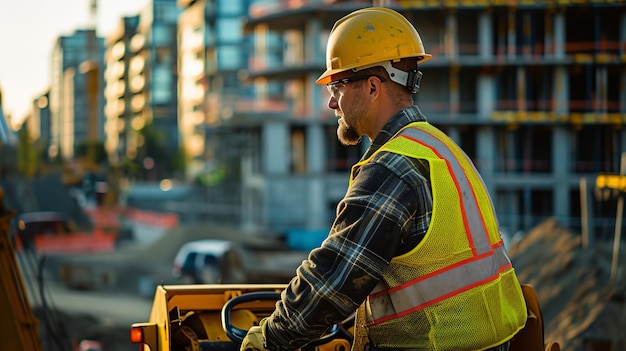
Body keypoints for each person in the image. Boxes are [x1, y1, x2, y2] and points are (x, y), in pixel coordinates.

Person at [241, 7, 527, 351]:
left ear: (373, 87)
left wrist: (271, 338)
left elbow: (334, 280)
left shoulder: (392, 167)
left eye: (338, 85)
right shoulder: (442, 149)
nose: (332, 101)